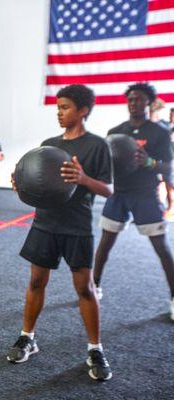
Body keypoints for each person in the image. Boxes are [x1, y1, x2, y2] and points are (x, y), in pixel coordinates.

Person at [7, 84, 114, 381]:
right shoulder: (49, 142)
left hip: (77, 226)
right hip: (45, 223)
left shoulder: (97, 146)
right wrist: (21, 186)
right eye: (57, 107)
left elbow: (109, 190)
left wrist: (82, 178)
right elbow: (38, 187)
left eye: (65, 107)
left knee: (84, 288)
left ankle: (95, 348)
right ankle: (27, 336)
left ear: (83, 110)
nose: (59, 112)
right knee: (36, 281)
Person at [93, 82, 174, 322]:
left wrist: (149, 162)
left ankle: (173, 297)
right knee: (105, 243)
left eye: (139, 99)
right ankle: (94, 287)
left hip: (145, 195)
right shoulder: (116, 131)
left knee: (161, 248)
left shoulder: (159, 132)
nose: (134, 103)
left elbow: (169, 166)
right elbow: (105, 165)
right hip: (119, 194)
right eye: (130, 99)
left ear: (149, 102)